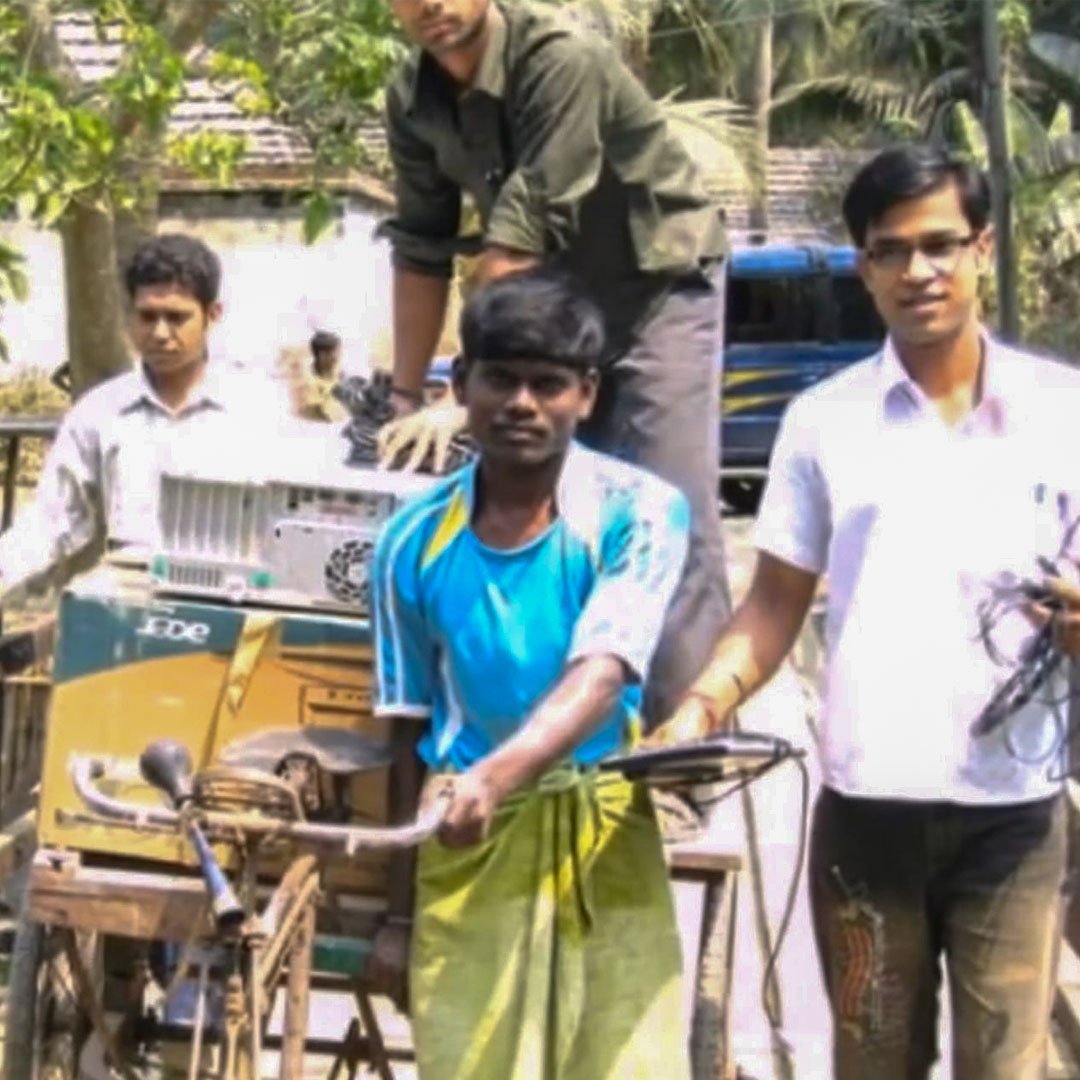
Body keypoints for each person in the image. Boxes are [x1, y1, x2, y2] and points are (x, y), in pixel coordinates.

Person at [649, 144, 1080, 1080]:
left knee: (1007, 1065)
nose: (918, 270)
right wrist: (700, 708)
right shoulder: (822, 420)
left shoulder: (1064, 413)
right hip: (867, 813)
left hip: (1014, 814)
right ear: (864, 267)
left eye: (940, 244)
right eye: (892, 250)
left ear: (982, 249)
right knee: (872, 1061)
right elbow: (774, 605)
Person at [371, 269, 691, 1080]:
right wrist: (397, 919)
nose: (522, 403)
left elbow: (605, 668)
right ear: (459, 386)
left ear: (586, 394)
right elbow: (405, 730)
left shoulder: (640, 511)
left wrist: (498, 775)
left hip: (603, 831)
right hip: (466, 843)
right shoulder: (410, 539)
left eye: (547, 383)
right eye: (501, 379)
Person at [375, 0, 730, 725]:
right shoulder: (411, 98)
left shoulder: (559, 59)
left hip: (655, 288)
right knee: (546, 514)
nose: (431, 4)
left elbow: (520, 235)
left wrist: (464, 391)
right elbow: (420, 245)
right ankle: (552, 743)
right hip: (550, 300)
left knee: (666, 513)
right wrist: (404, 400)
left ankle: (681, 755)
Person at [0, 233, 286, 599]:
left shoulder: (259, 410)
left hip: (234, 599)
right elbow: (52, 518)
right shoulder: (100, 412)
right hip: (128, 597)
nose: (160, 333)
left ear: (212, 315)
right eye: (148, 317)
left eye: (177, 317)